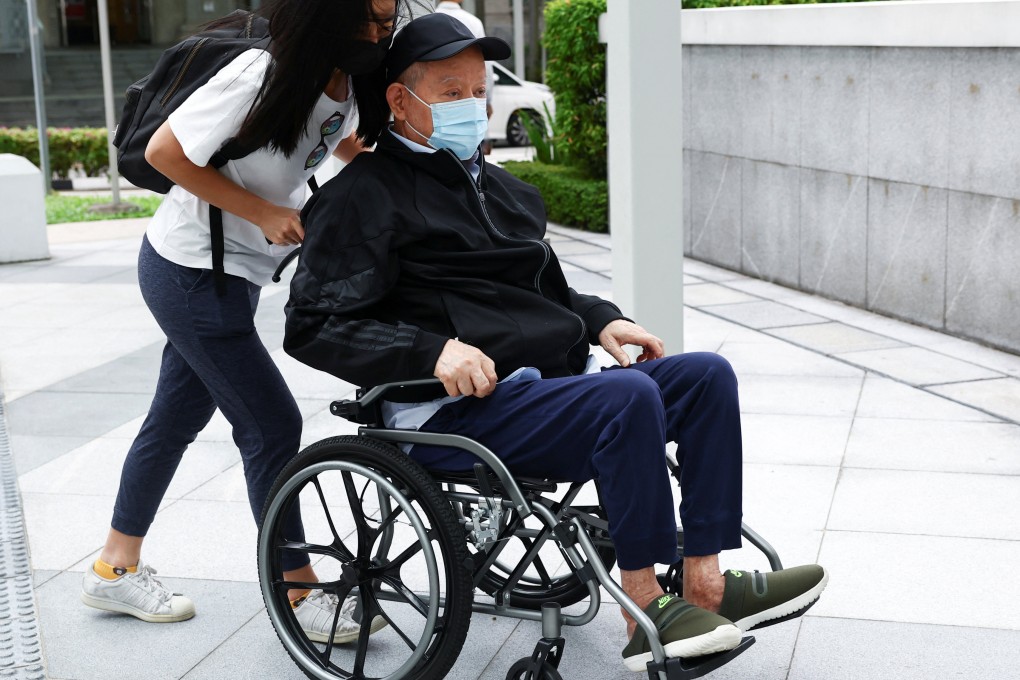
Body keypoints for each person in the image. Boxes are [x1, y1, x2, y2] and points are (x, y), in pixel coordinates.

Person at [284, 12, 829, 672]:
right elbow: (313, 325)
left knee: (705, 376)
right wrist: (430, 351)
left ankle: (705, 580)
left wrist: (602, 318)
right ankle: (644, 605)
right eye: (452, 92)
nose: (472, 107)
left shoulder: (501, 189)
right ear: (401, 100)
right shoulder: (363, 197)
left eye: (478, 92)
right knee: (626, 398)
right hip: (455, 408)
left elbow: (546, 289)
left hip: (539, 391)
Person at [80, 0, 420, 644]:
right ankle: (297, 590)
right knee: (271, 424)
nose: (379, 34)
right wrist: (262, 213)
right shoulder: (259, 74)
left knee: (175, 417)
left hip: (230, 278)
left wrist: (367, 161)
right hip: (188, 272)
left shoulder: (346, 77)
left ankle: (112, 566)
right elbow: (165, 152)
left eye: (386, 21)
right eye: (368, 21)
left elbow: (326, 140)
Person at [434, 0, 495, 153]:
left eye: (478, 92)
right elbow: (486, 69)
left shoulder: (429, 18)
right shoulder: (473, 22)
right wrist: (487, 98)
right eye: (454, 93)